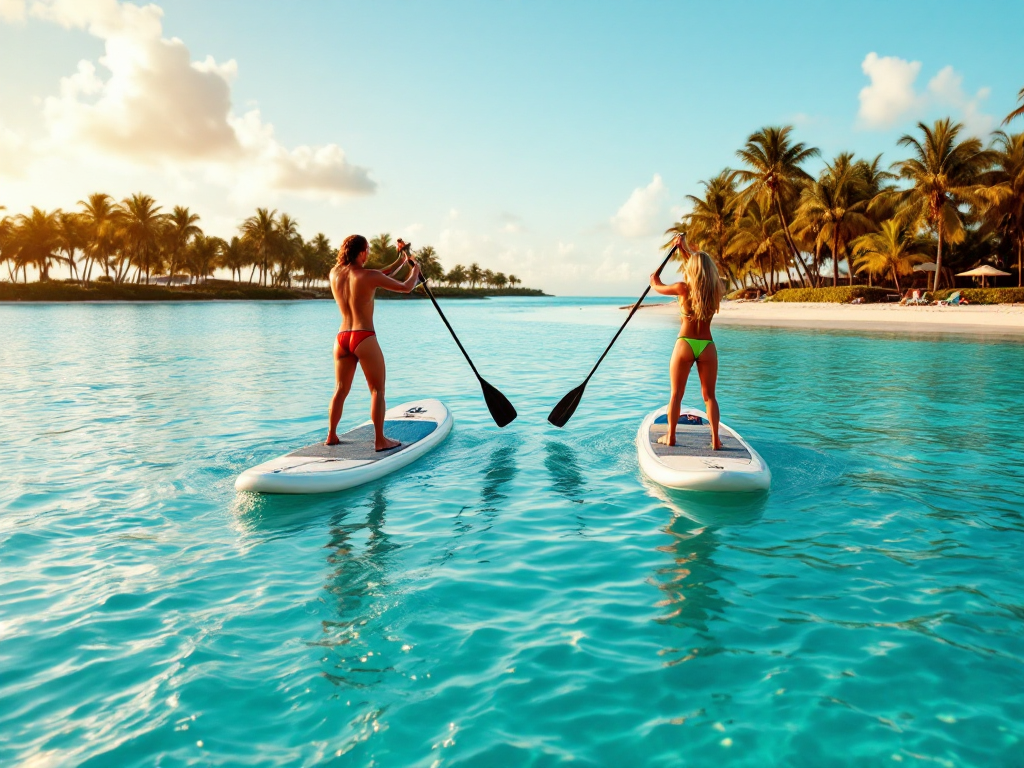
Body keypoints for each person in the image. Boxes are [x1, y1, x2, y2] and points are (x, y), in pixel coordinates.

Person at [326, 235, 421, 449]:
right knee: (377, 390)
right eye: (367, 250)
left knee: (340, 389)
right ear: (361, 252)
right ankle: (380, 440)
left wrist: (402, 259)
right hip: (363, 336)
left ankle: (331, 435)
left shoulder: (334, 273)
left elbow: (381, 274)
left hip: (341, 339)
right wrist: (416, 270)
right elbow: (406, 287)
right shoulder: (369, 276)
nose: (368, 253)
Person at [649, 234, 726, 449]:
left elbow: (657, 285)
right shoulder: (715, 290)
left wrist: (654, 279)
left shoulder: (683, 289)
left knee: (676, 394)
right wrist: (683, 249)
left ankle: (671, 436)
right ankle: (715, 440)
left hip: (685, 343)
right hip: (707, 346)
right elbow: (699, 267)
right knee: (710, 397)